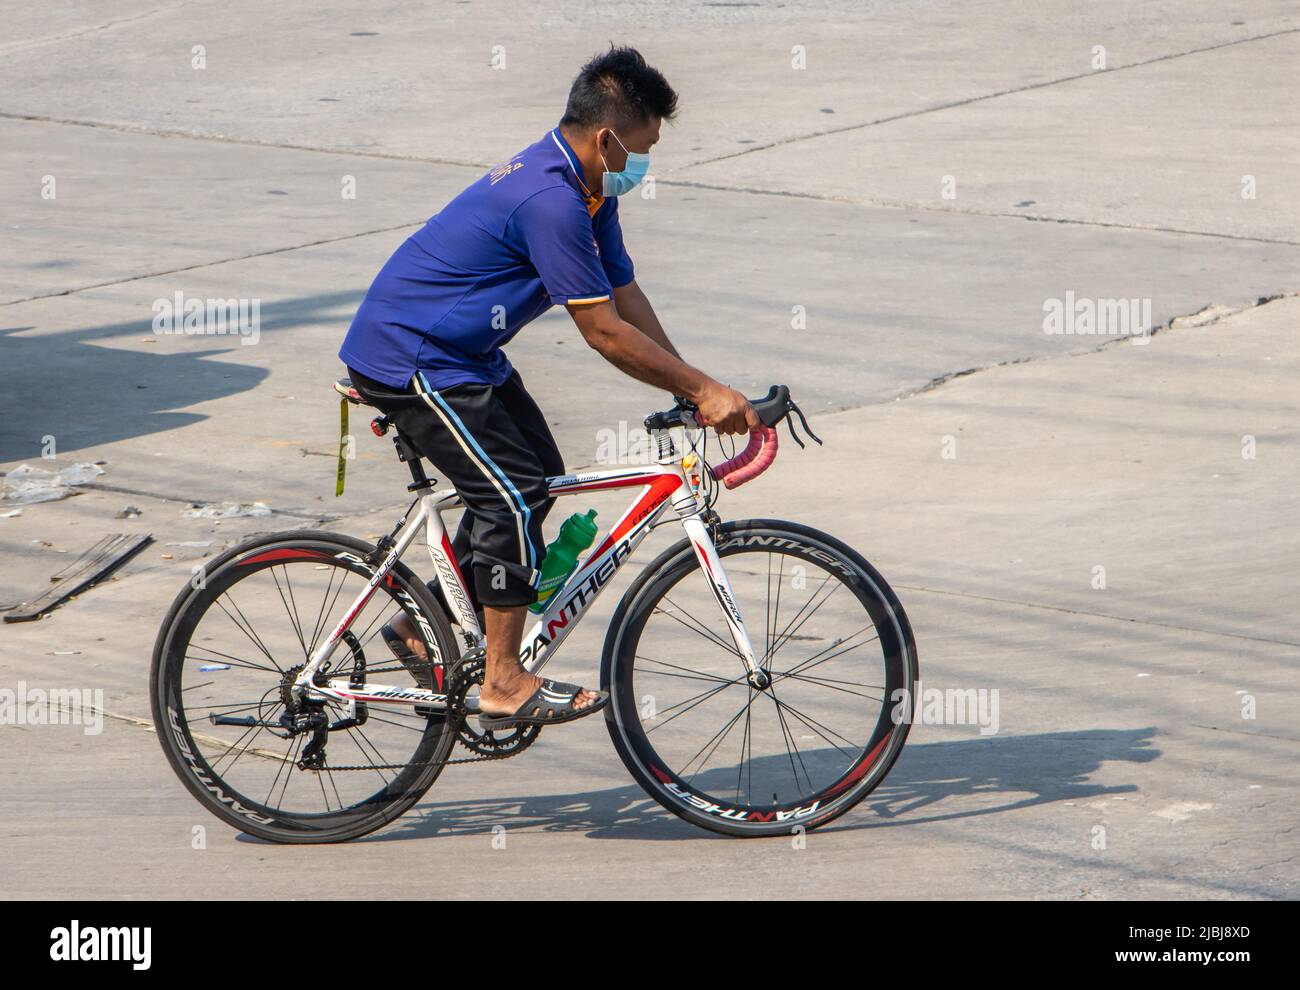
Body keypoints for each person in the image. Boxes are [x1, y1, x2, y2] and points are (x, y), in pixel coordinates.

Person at [339, 45, 759, 729]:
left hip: (462, 354)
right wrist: (703, 389)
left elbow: (624, 297)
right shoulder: (551, 200)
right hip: (412, 357)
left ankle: (424, 630)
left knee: (541, 478)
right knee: (509, 496)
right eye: (643, 149)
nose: (644, 166)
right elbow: (604, 334)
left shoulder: (590, 190)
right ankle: (501, 680)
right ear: (607, 137)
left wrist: (695, 389)